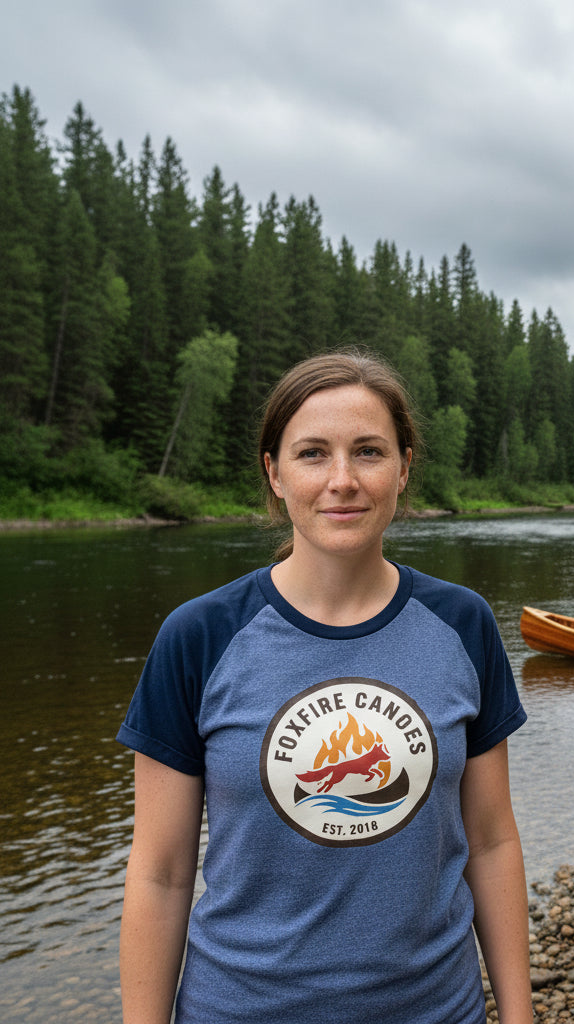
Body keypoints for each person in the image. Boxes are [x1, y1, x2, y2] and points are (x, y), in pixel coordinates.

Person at [117, 348, 532, 1024]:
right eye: (313, 454)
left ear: (403, 470)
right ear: (274, 473)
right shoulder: (197, 637)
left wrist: (519, 1015)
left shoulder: (464, 624)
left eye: (368, 452)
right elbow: (160, 873)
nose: (342, 480)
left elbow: (490, 840)